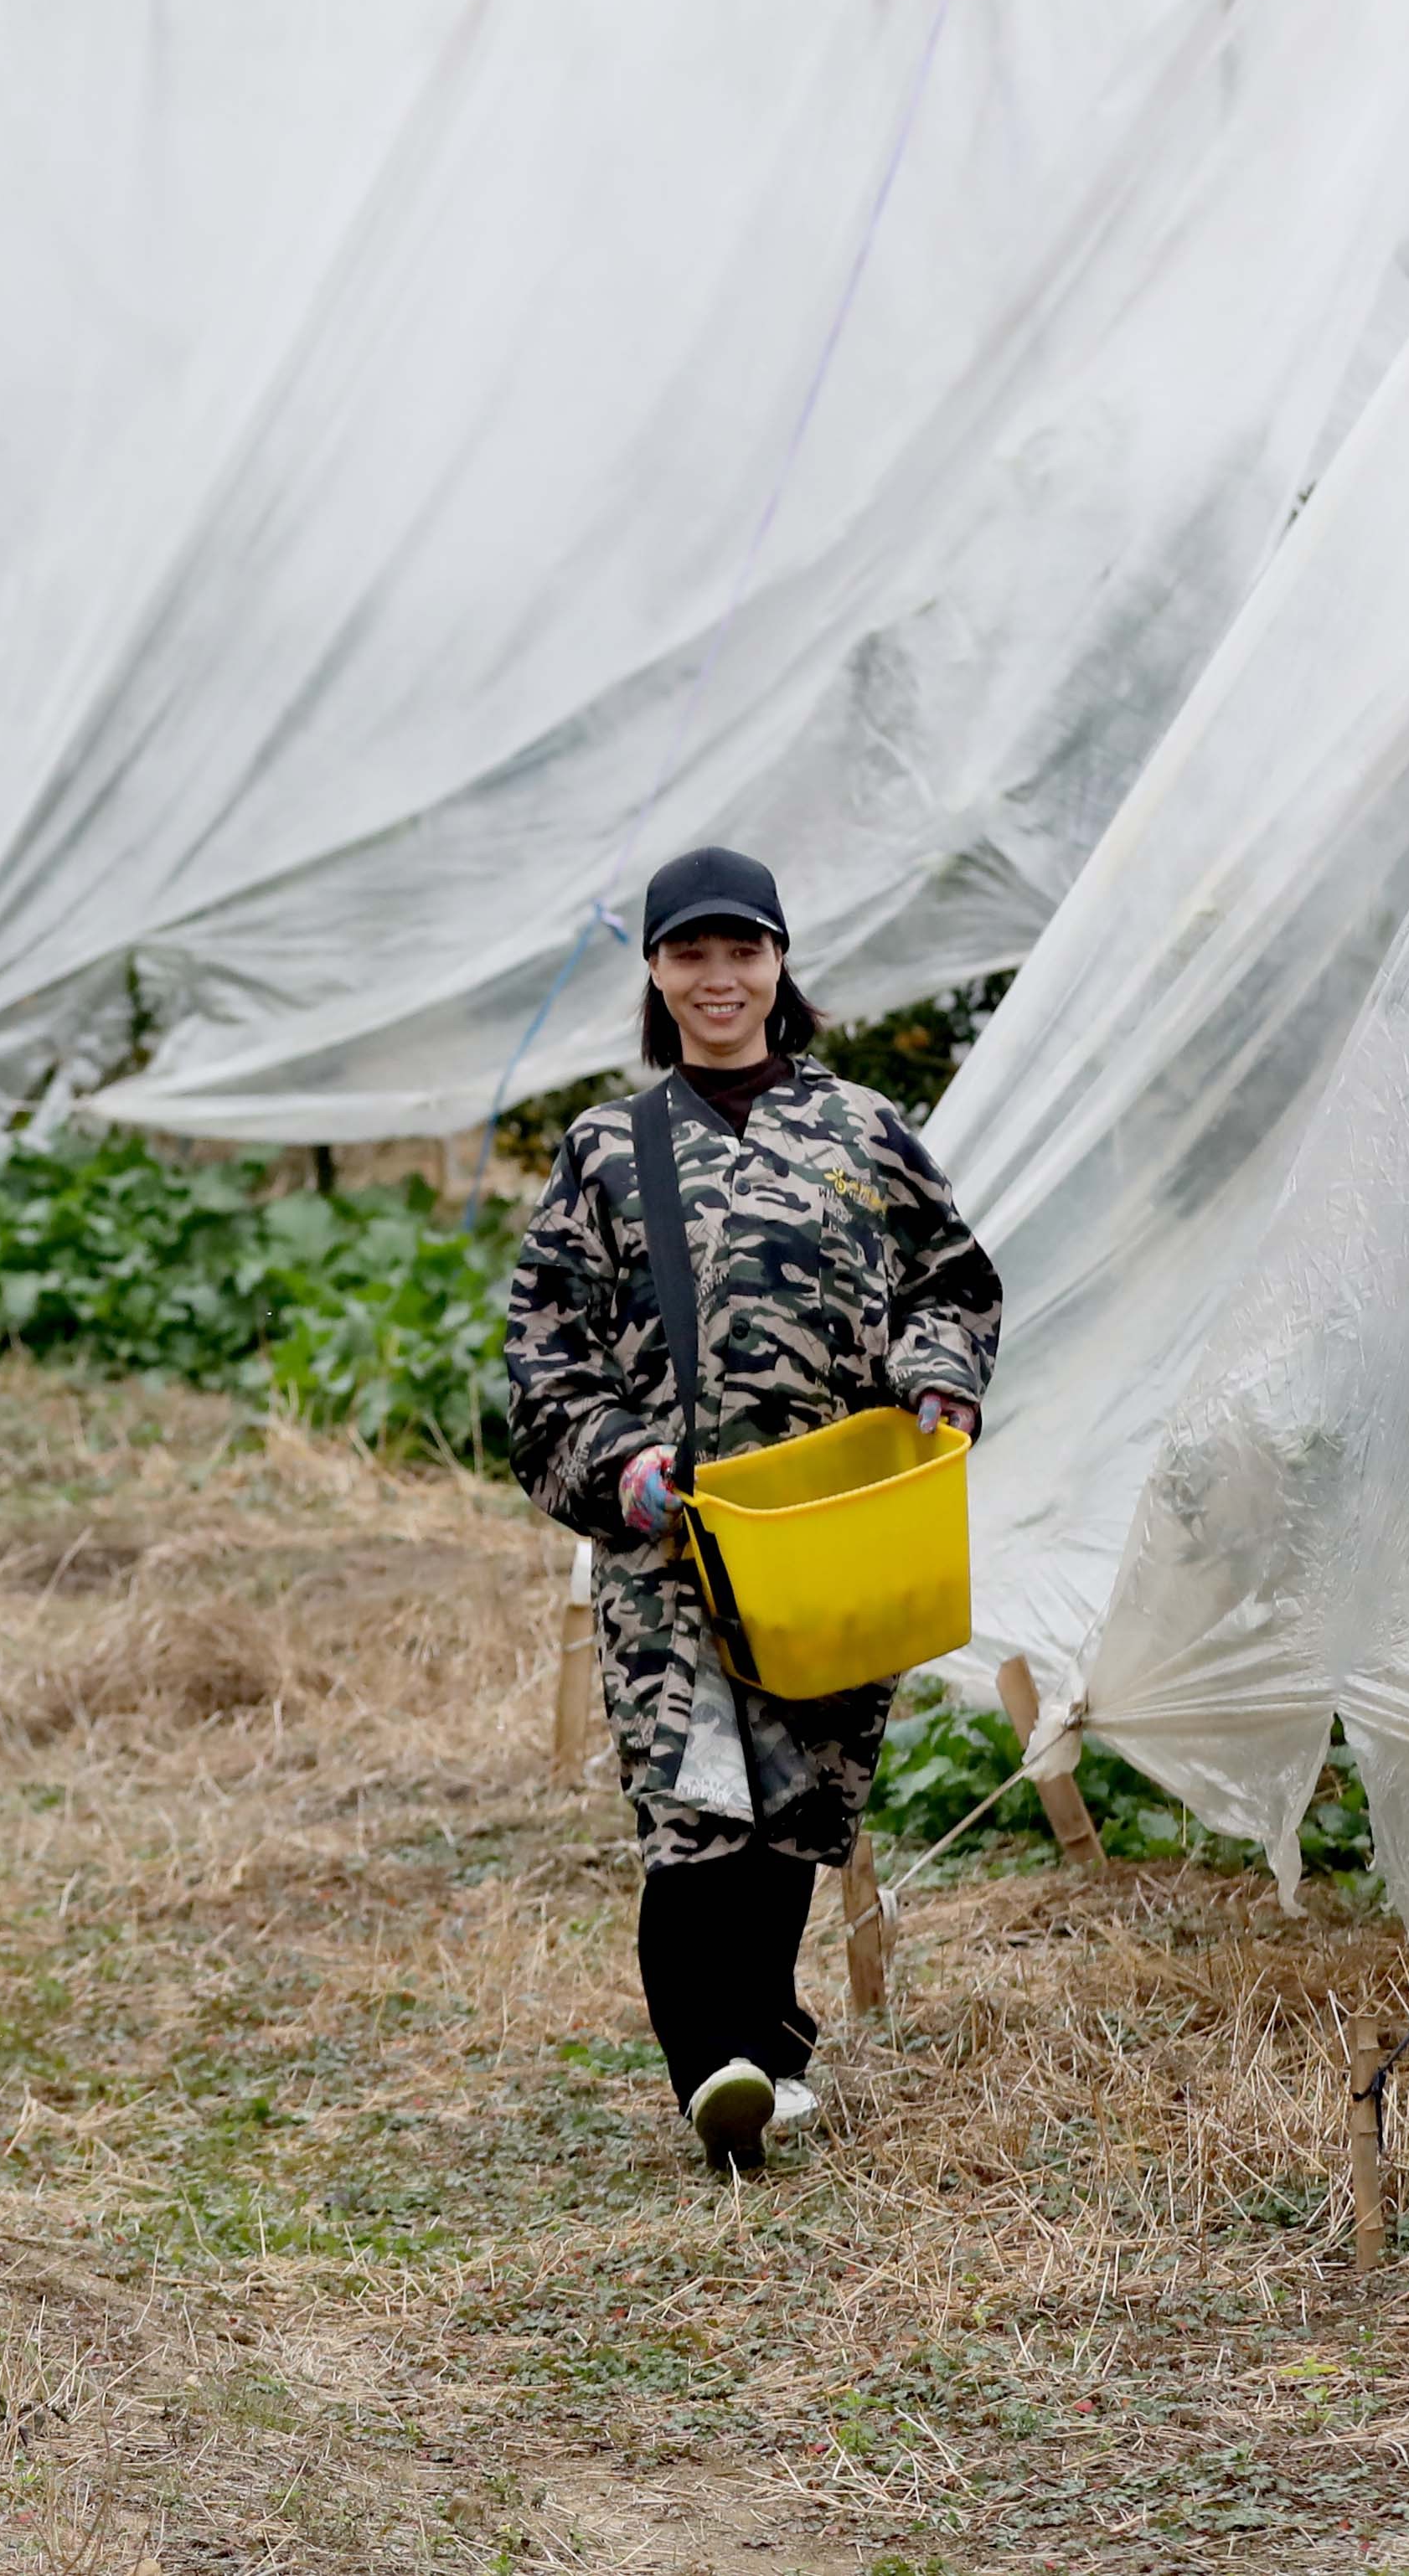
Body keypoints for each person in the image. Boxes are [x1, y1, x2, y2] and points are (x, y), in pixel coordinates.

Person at [499, 845, 999, 2174]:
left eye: (743, 951)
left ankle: (771, 2052)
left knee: (800, 1802)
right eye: (690, 955)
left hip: (835, 1532)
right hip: (676, 1540)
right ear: (657, 976)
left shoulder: (867, 1132)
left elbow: (952, 1284)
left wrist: (940, 1386)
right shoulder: (607, 1150)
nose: (718, 979)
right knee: (691, 1804)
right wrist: (616, 1464)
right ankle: (713, 2068)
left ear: (781, 963)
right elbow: (545, 1354)